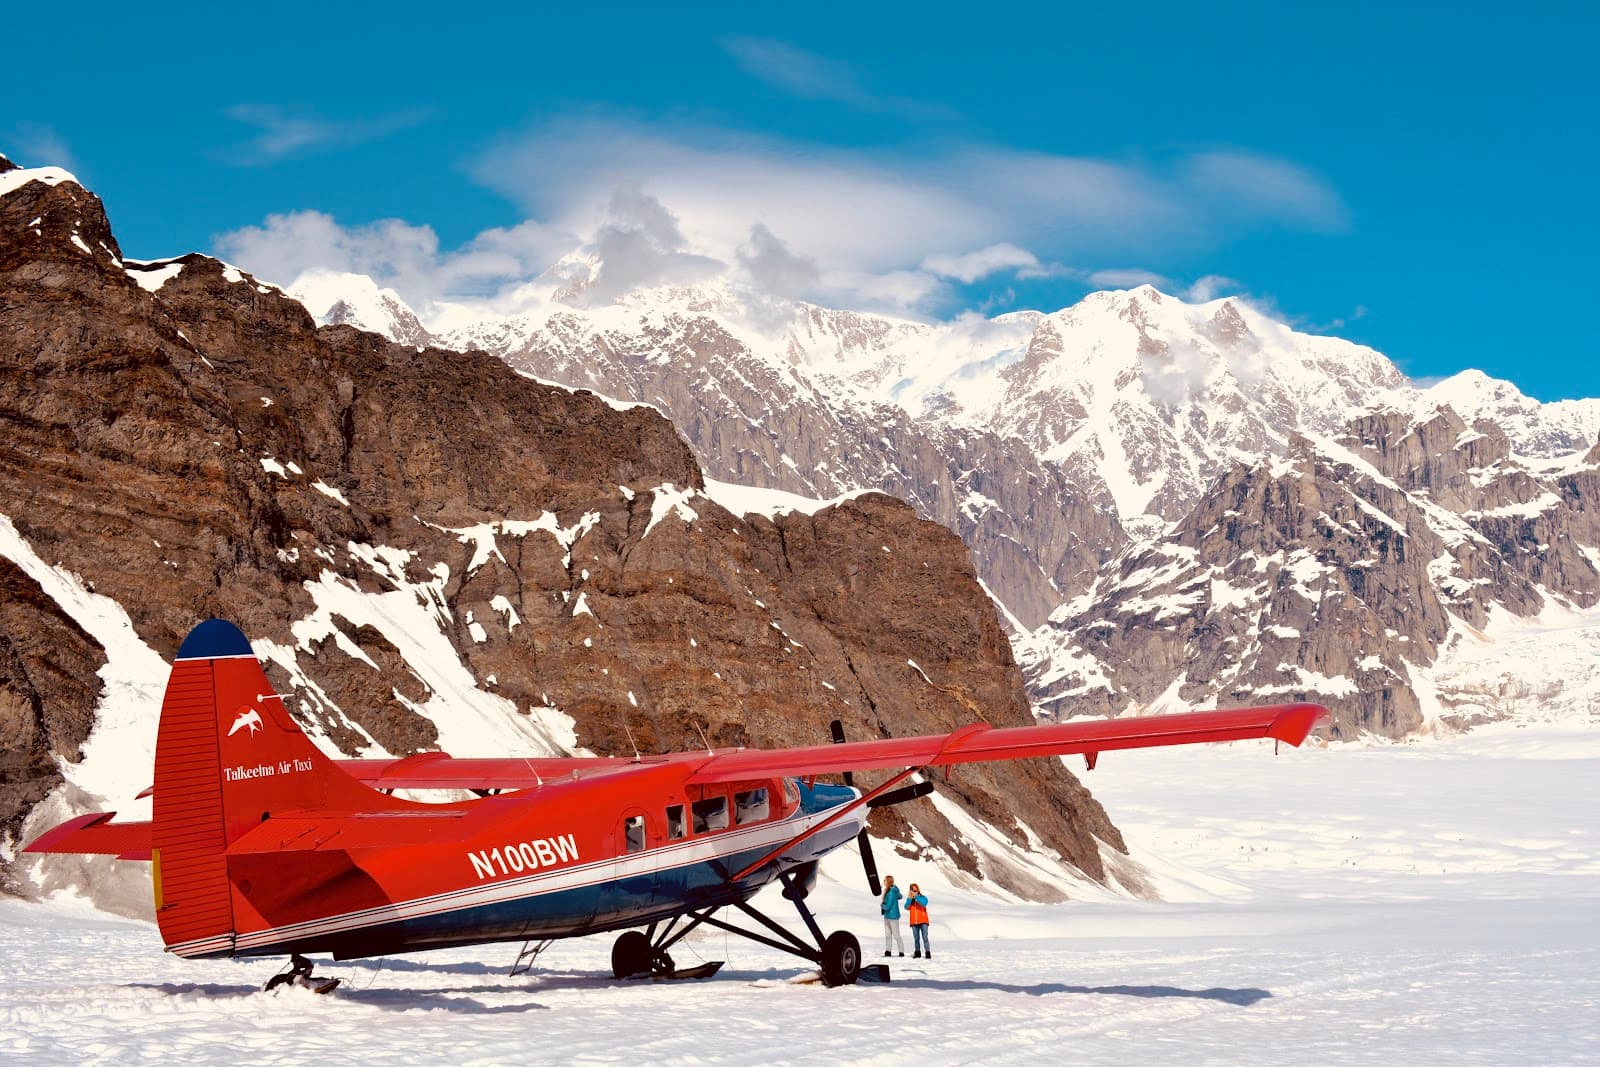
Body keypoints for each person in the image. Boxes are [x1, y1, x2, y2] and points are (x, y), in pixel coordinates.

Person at [880, 875, 905, 957]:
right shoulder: (888, 890)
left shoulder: (891, 892)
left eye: (885, 880)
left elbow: (888, 906)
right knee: (887, 935)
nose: (884, 881)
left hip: (893, 916)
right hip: (887, 916)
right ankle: (888, 951)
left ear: (888, 881)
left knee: (896, 935)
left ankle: (901, 952)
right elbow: (899, 896)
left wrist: (882, 905)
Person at [907, 883, 930, 958]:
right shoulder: (910, 899)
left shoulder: (923, 897)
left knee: (925, 937)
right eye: (912, 890)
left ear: (918, 890)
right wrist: (910, 898)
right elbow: (906, 907)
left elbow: (924, 904)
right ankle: (917, 952)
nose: (914, 891)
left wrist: (916, 897)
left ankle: (927, 952)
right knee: (916, 938)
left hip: (923, 921)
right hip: (914, 922)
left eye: (915, 890)